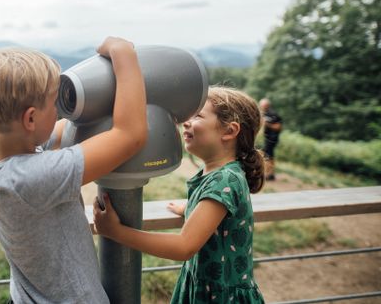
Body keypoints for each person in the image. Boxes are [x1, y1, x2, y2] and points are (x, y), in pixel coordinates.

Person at [0, 37, 147, 303]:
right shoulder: (34, 177)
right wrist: (124, 55)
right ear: (30, 118)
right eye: (53, 104)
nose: (59, 112)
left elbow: (65, 129)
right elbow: (131, 136)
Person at [94, 86, 266, 303]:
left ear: (230, 131)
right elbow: (214, 215)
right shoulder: (222, 175)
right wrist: (189, 208)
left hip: (220, 297)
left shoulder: (224, 180)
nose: (186, 121)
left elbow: (183, 247)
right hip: (208, 289)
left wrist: (116, 232)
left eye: (198, 116)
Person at [259, 98, 282, 181]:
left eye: (264, 105)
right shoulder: (261, 114)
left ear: (267, 105)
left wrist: (267, 124)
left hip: (272, 138)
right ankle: (269, 174)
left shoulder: (273, 114)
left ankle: (269, 174)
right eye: (261, 105)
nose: (262, 107)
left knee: (268, 155)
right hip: (265, 138)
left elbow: (279, 127)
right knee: (267, 155)